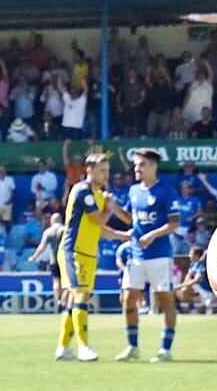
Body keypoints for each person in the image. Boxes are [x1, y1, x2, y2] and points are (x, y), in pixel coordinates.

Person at [106, 148, 181, 362]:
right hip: (136, 255)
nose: (136, 168)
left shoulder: (165, 192)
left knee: (165, 300)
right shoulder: (133, 191)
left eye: (141, 164)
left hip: (159, 255)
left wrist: (152, 235)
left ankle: (165, 349)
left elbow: (174, 223)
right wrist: (113, 207)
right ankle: (132, 347)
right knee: (128, 300)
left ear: (153, 166)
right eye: (136, 165)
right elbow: (130, 219)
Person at [54, 152, 128, 362]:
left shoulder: (98, 194)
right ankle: (83, 346)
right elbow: (98, 219)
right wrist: (109, 208)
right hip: (73, 251)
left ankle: (62, 348)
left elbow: (102, 230)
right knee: (81, 295)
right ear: (89, 170)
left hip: (88, 253)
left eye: (107, 171)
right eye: (102, 170)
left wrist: (125, 236)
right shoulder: (82, 190)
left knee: (74, 298)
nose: (106, 175)